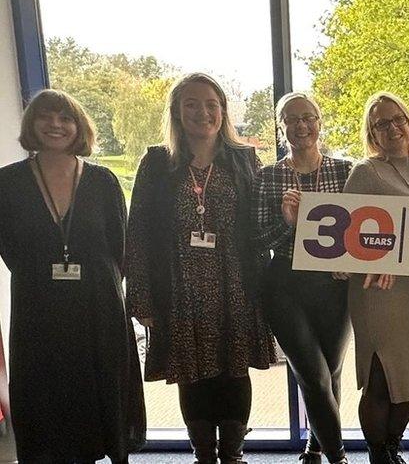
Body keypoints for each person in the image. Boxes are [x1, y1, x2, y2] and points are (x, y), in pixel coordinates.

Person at [126, 73, 276, 464]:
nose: (202, 112)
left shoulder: (244, 158)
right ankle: (203, 455)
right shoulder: (156, 162)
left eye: (211, 104)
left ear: (223, 110)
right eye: (191, 103)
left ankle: (233, 454)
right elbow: (137, 231)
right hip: (177, 286)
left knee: (234, 371)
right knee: (190, 373)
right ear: (176, 111)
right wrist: (139, 296)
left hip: (236, 284)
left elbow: (262, 222)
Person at [0, 89, 146, 463]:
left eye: (65, 118)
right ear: (31, 123)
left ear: (79, 126)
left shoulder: (103, 181)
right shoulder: (8, 183)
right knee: (46, 400)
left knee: (100, 397)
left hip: (99, 306)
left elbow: (120, 247)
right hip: (38, 311)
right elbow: (10, 249)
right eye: (45, 116)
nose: (55, 125)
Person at [251, 91, 352, 464]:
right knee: (313, 375)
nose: (301, 125)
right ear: (281, 129)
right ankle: (338, 457)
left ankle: (314, 446)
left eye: (307, 117)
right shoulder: (268, 176)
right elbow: (257, 239)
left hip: (335, 283)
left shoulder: (346, 170)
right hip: (285, 284)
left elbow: (359, 233)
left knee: (331, 371)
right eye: (291, 119)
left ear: (319, 122)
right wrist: (289, 224)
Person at [343, 92, 409, 464]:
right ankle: (378, 453)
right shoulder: (365, 171)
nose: (393, 127)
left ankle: (393, 443)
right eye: (382, 123)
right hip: (377, 292)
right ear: (372, 132)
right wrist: (377, 258)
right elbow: (347, 237)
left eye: (398, 119)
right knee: (382, 378)